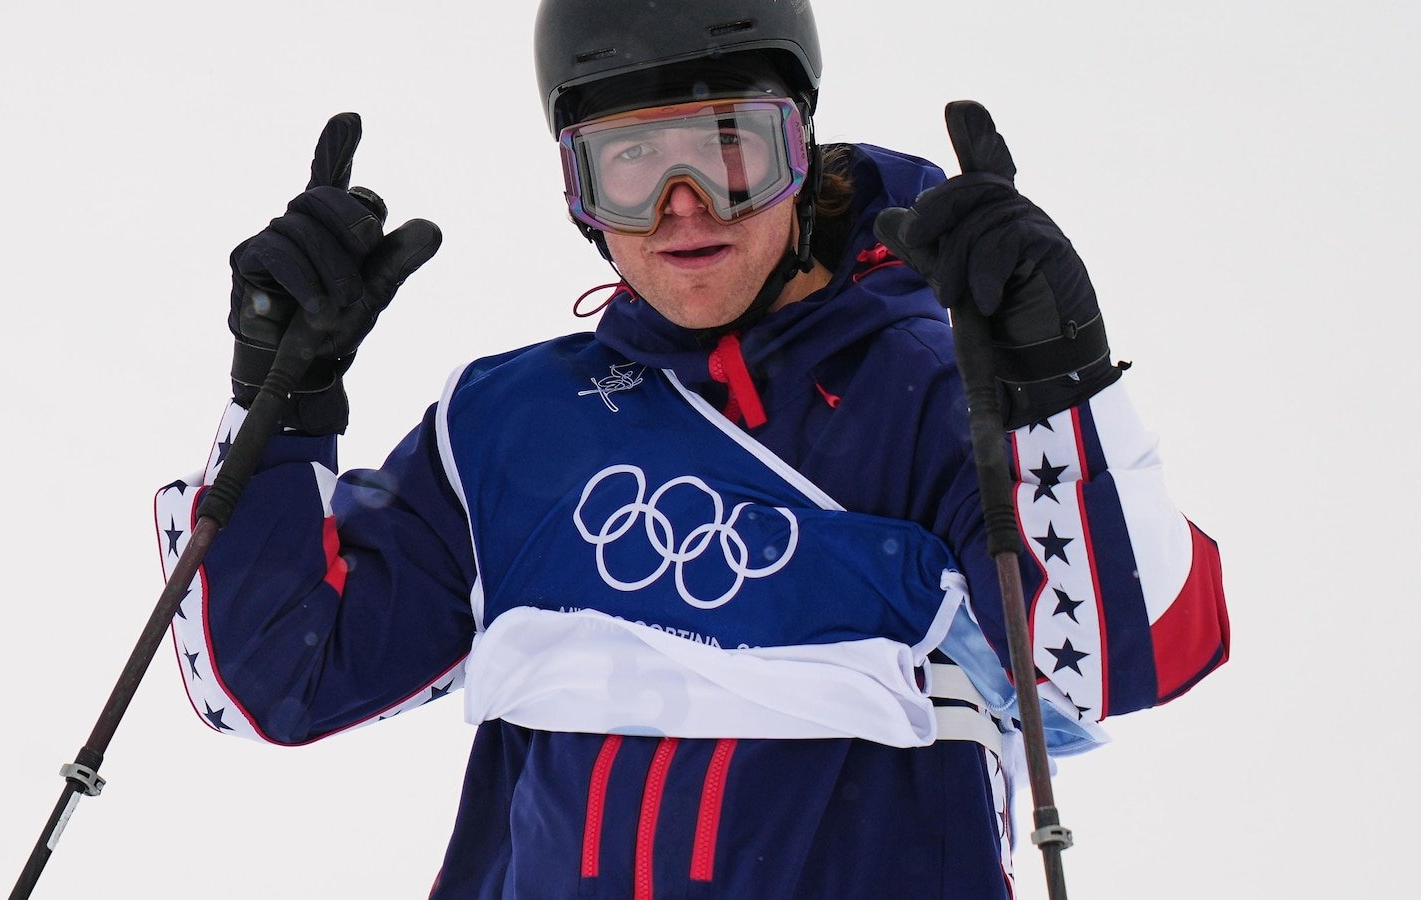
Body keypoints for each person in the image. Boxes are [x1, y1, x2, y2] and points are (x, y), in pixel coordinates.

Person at [154, 1, 1230, 896]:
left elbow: (1128, 658)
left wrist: (1056, 382)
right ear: (579, 197)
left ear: (798, 147)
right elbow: (272, 680)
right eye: (629, 168)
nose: (682, 209)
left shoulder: (931, 393)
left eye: (728, 151)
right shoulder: (513, 420)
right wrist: (277, 413)